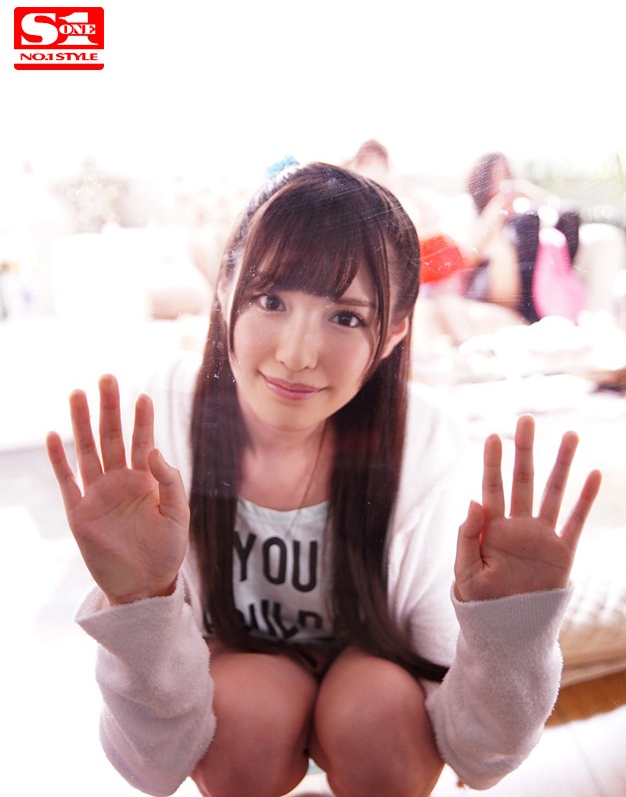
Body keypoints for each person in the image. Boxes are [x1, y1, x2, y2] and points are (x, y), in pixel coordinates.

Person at [46, 161, 602, 797]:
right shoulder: (164, 421)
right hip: (226, 687)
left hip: (378, 686)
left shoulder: (423, 442)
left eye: (346, 318)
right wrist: (140, 602)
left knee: (376, 710)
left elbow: (480, 756)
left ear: (394, 332)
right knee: (249, 716)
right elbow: (152, 765)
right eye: (271, 301)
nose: (296, 354)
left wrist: (511, 632)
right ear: (225, 288)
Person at [443, 151, 582, 323]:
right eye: (494, 175)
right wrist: (493, 214)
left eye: (505, 176)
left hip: (518, 279)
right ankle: (535, 312)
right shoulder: (466, 206)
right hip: (482, 278)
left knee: (564, 213)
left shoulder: (516, 207)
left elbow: (555, 207)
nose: (500, 183)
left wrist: (525, 189)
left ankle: (543, 308)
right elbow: (465, 257)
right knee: (504, 249)